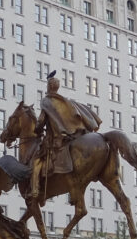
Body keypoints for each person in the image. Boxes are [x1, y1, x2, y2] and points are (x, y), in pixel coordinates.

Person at [29, 70, 101, 199]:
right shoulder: (64, 101)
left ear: (49, 87)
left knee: (36, 161)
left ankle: (35, 190)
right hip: (68, 138)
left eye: (47, 86)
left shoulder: (47, 101)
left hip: (55, 141)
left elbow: (40, 121)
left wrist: (37, 130)